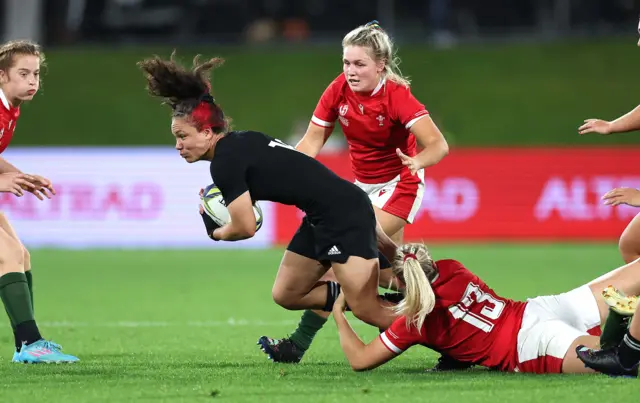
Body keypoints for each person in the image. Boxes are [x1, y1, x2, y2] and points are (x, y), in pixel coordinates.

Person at [138, 51, 401, 333]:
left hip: (340, 214)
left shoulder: (225, 164)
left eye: (182, 136)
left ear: (206, 132)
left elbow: (245, 227)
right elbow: (279, 176)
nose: (178, 145)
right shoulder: (243, 141)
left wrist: (215, 231)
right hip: (329, 212)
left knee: (368, 308)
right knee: (287, 293)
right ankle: (409, 298)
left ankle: (443, 334)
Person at [258, 20, 449, 364]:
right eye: (346, 63)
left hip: (399, 187)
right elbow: (312, 141)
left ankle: (297, 345)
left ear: (380, 66)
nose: (350, 71)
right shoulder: (338, 90)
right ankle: (452, 331)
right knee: (396, 275)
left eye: (359, 64)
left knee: (341, 263)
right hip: (362, 190)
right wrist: (280, 175)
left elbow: (438, 144)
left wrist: (417, 160)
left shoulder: (396, 96)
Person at [331, 242, 640, 374]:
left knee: (622, 363)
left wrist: (337, 314)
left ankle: (618, 327)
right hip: (539, 309)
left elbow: (360, 360)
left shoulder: (415, 321)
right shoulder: (452, 268)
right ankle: (618, 323)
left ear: (400, 280)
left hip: (531, 346)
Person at [0, 40, 78, 363]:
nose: (33, 81)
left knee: (22, 255)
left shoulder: (9, 109)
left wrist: (20, 176)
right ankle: (31, 344)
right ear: (2, 76)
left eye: (36, 74)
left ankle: (25, 347)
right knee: (8, 255)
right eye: (23, 73)